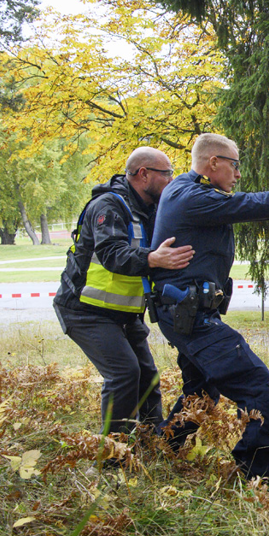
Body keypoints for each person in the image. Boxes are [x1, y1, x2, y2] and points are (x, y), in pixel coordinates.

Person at [150, 132, 269, 481]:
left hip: (185, 311)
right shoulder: (194, 198)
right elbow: (254, 205)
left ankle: (164, 449)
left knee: (201, 390)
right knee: (256, 384)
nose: (238, 175)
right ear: (213, 163)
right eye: (234, 166)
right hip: (190, 314)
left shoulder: (183, 188)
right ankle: (256, 475)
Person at [54, 147, 194, 435]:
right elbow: (112, 253)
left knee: (147, 377)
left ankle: (152, 441)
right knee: (124, 373)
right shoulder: (108, 206)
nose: (171, 179)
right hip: (85, 311)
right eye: (166, 173)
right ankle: (114, 453)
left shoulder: (152, 209)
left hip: (124, 313)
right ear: (144, 174)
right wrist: (152, 258)